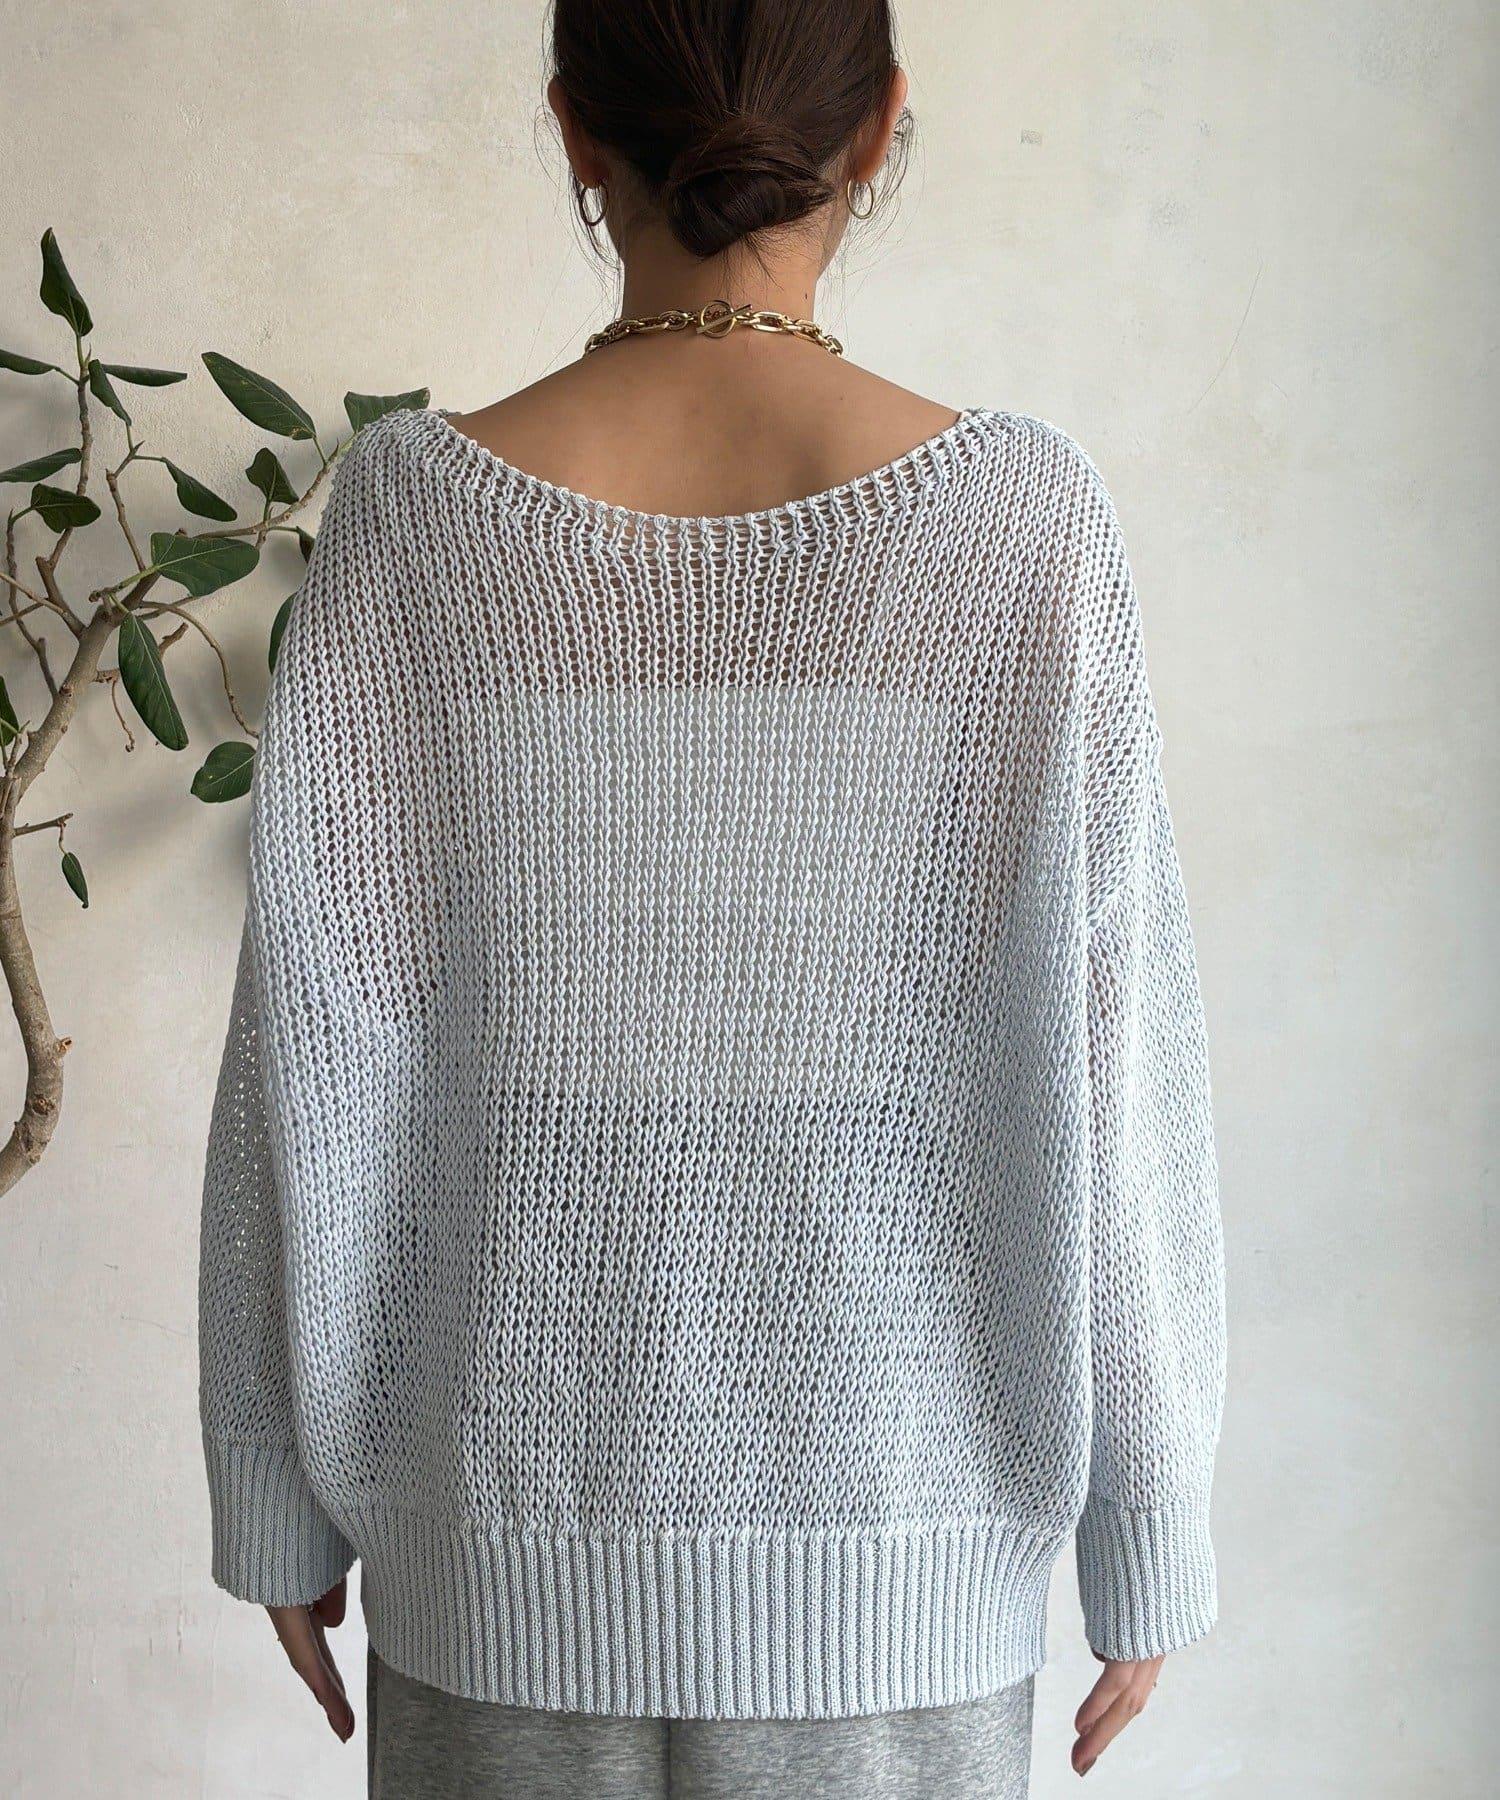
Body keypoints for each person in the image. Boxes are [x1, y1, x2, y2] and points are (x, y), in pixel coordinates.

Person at [196, 2, 1227, 1794]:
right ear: (880, 124)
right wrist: (1151, 1521)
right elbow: (1116, 1061)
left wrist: (273, 1488)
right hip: (896, 1554)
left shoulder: (411, 516)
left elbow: (313, 1042)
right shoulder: (1022, 526)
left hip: (491, 1538)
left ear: (572, 126)